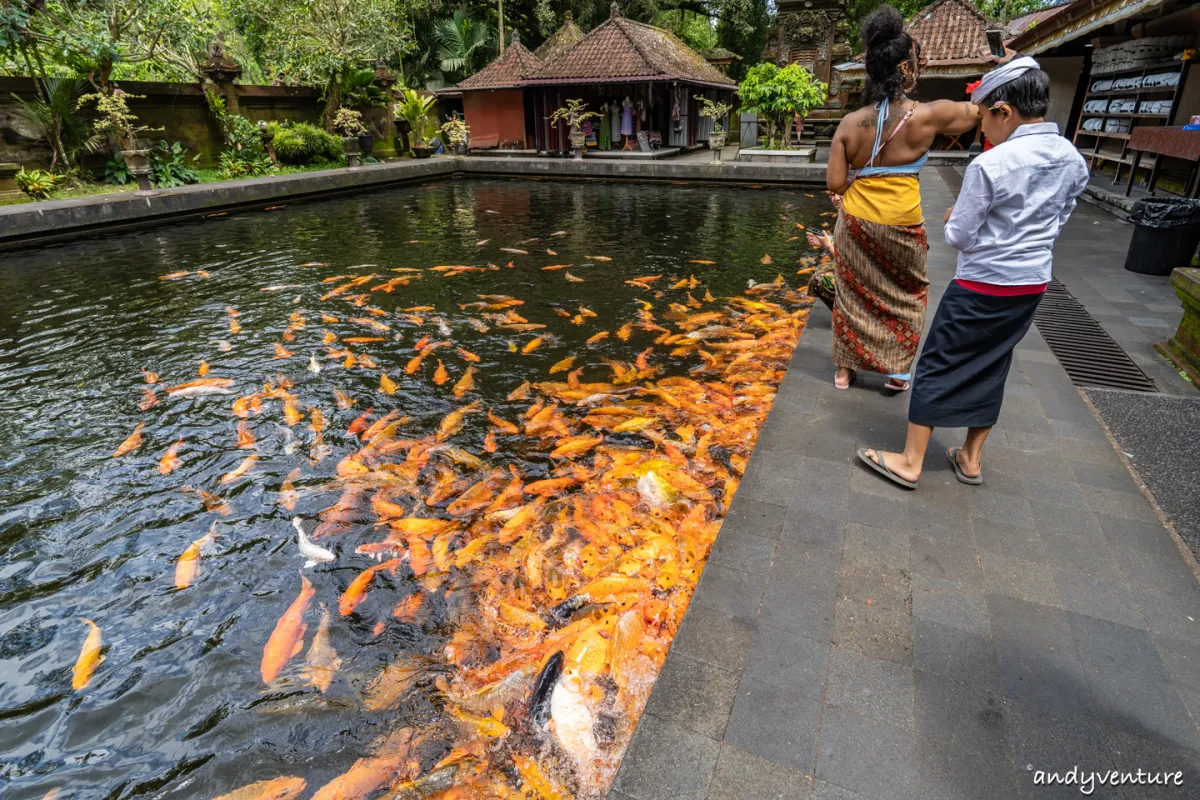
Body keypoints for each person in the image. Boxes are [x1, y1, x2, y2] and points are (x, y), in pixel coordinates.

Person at [857, 57, 1089, 490]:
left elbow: (960, 237)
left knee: (938, 362)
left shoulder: (991, 165)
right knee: (993, 362)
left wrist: (950, 217)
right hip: (1032, 282)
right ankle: (969, 457)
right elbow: (1060, 215)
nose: (981, 129)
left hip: (983, 283)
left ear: (1004, 111)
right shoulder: (1071, 158)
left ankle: (910, 461)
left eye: (983, 118)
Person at [825, 5, 982, 392]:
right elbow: (979, 112)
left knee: (851, 294)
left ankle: (846, 370)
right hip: (903, 222)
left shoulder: (849, 123)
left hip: (858, 221)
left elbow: (835, 182)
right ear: (906, 68)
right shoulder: (928, 116)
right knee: (907, 296)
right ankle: (897, 373)